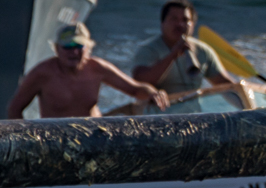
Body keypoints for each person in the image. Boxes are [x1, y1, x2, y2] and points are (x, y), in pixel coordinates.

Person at [6, 23, 168, 119]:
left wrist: (153, 93)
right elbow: (14, 109)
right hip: (56, 139)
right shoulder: (42, 73)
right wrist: (27, 142)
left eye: (79, 46)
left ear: (89, 48)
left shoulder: (97, 68)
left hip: (91, 136)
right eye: (68, 47)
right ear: (56, 49)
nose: (74, 52)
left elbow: (135, 89)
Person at [131, 0, 235, 94]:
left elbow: (225, 84)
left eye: (185, 20)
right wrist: (173, 55)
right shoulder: (149, 50)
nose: (180, 24)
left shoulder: (203, 50)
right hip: (161, 107)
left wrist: (242, 88)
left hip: (194, 106)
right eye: (174, 19)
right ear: (162, 23)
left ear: (193, 24)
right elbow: (139, 83)